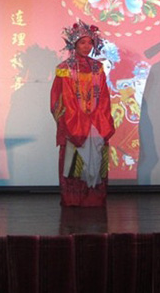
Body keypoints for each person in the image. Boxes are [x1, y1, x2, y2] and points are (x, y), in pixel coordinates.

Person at [50, 20, 115, 207]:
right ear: (74, 44)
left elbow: (104, 96)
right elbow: (61, 98)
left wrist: (97, 118)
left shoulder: (97, 67)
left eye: (89, 42)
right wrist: (77, 120)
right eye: (82, 42)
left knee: (96, 161)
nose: (87, 46)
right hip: (74, 123)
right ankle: (73, 198)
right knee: (73, 163)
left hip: (96, 122)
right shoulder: (65, 68)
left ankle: (93, 198)